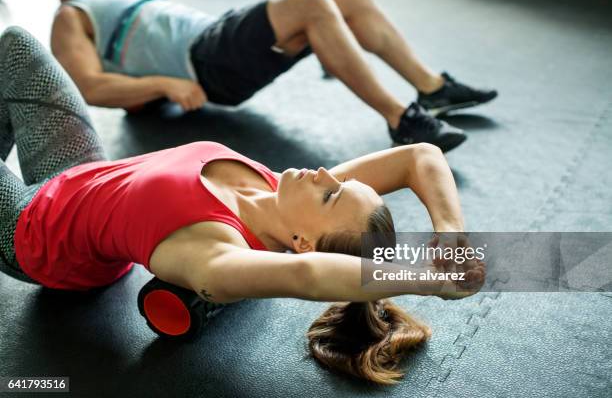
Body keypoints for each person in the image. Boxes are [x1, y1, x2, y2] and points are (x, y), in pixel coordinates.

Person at [0, 27, 484, 384]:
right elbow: (419, 156)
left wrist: (429, 278)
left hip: (33, 236)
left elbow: (308, 277)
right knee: (16, 47)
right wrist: (451, 235)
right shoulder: (281, 189)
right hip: (70, 174)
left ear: (303, 243)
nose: (326, 173)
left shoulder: (215, 253)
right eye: (339, 179)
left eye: (332, 192)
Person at [49, 0, 498, 152]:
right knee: (312, 1)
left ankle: (432, 88)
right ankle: (402, 119)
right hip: (206, 60)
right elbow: (89, 86)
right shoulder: (71, 15)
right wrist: (164, 84)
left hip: (218, 36)